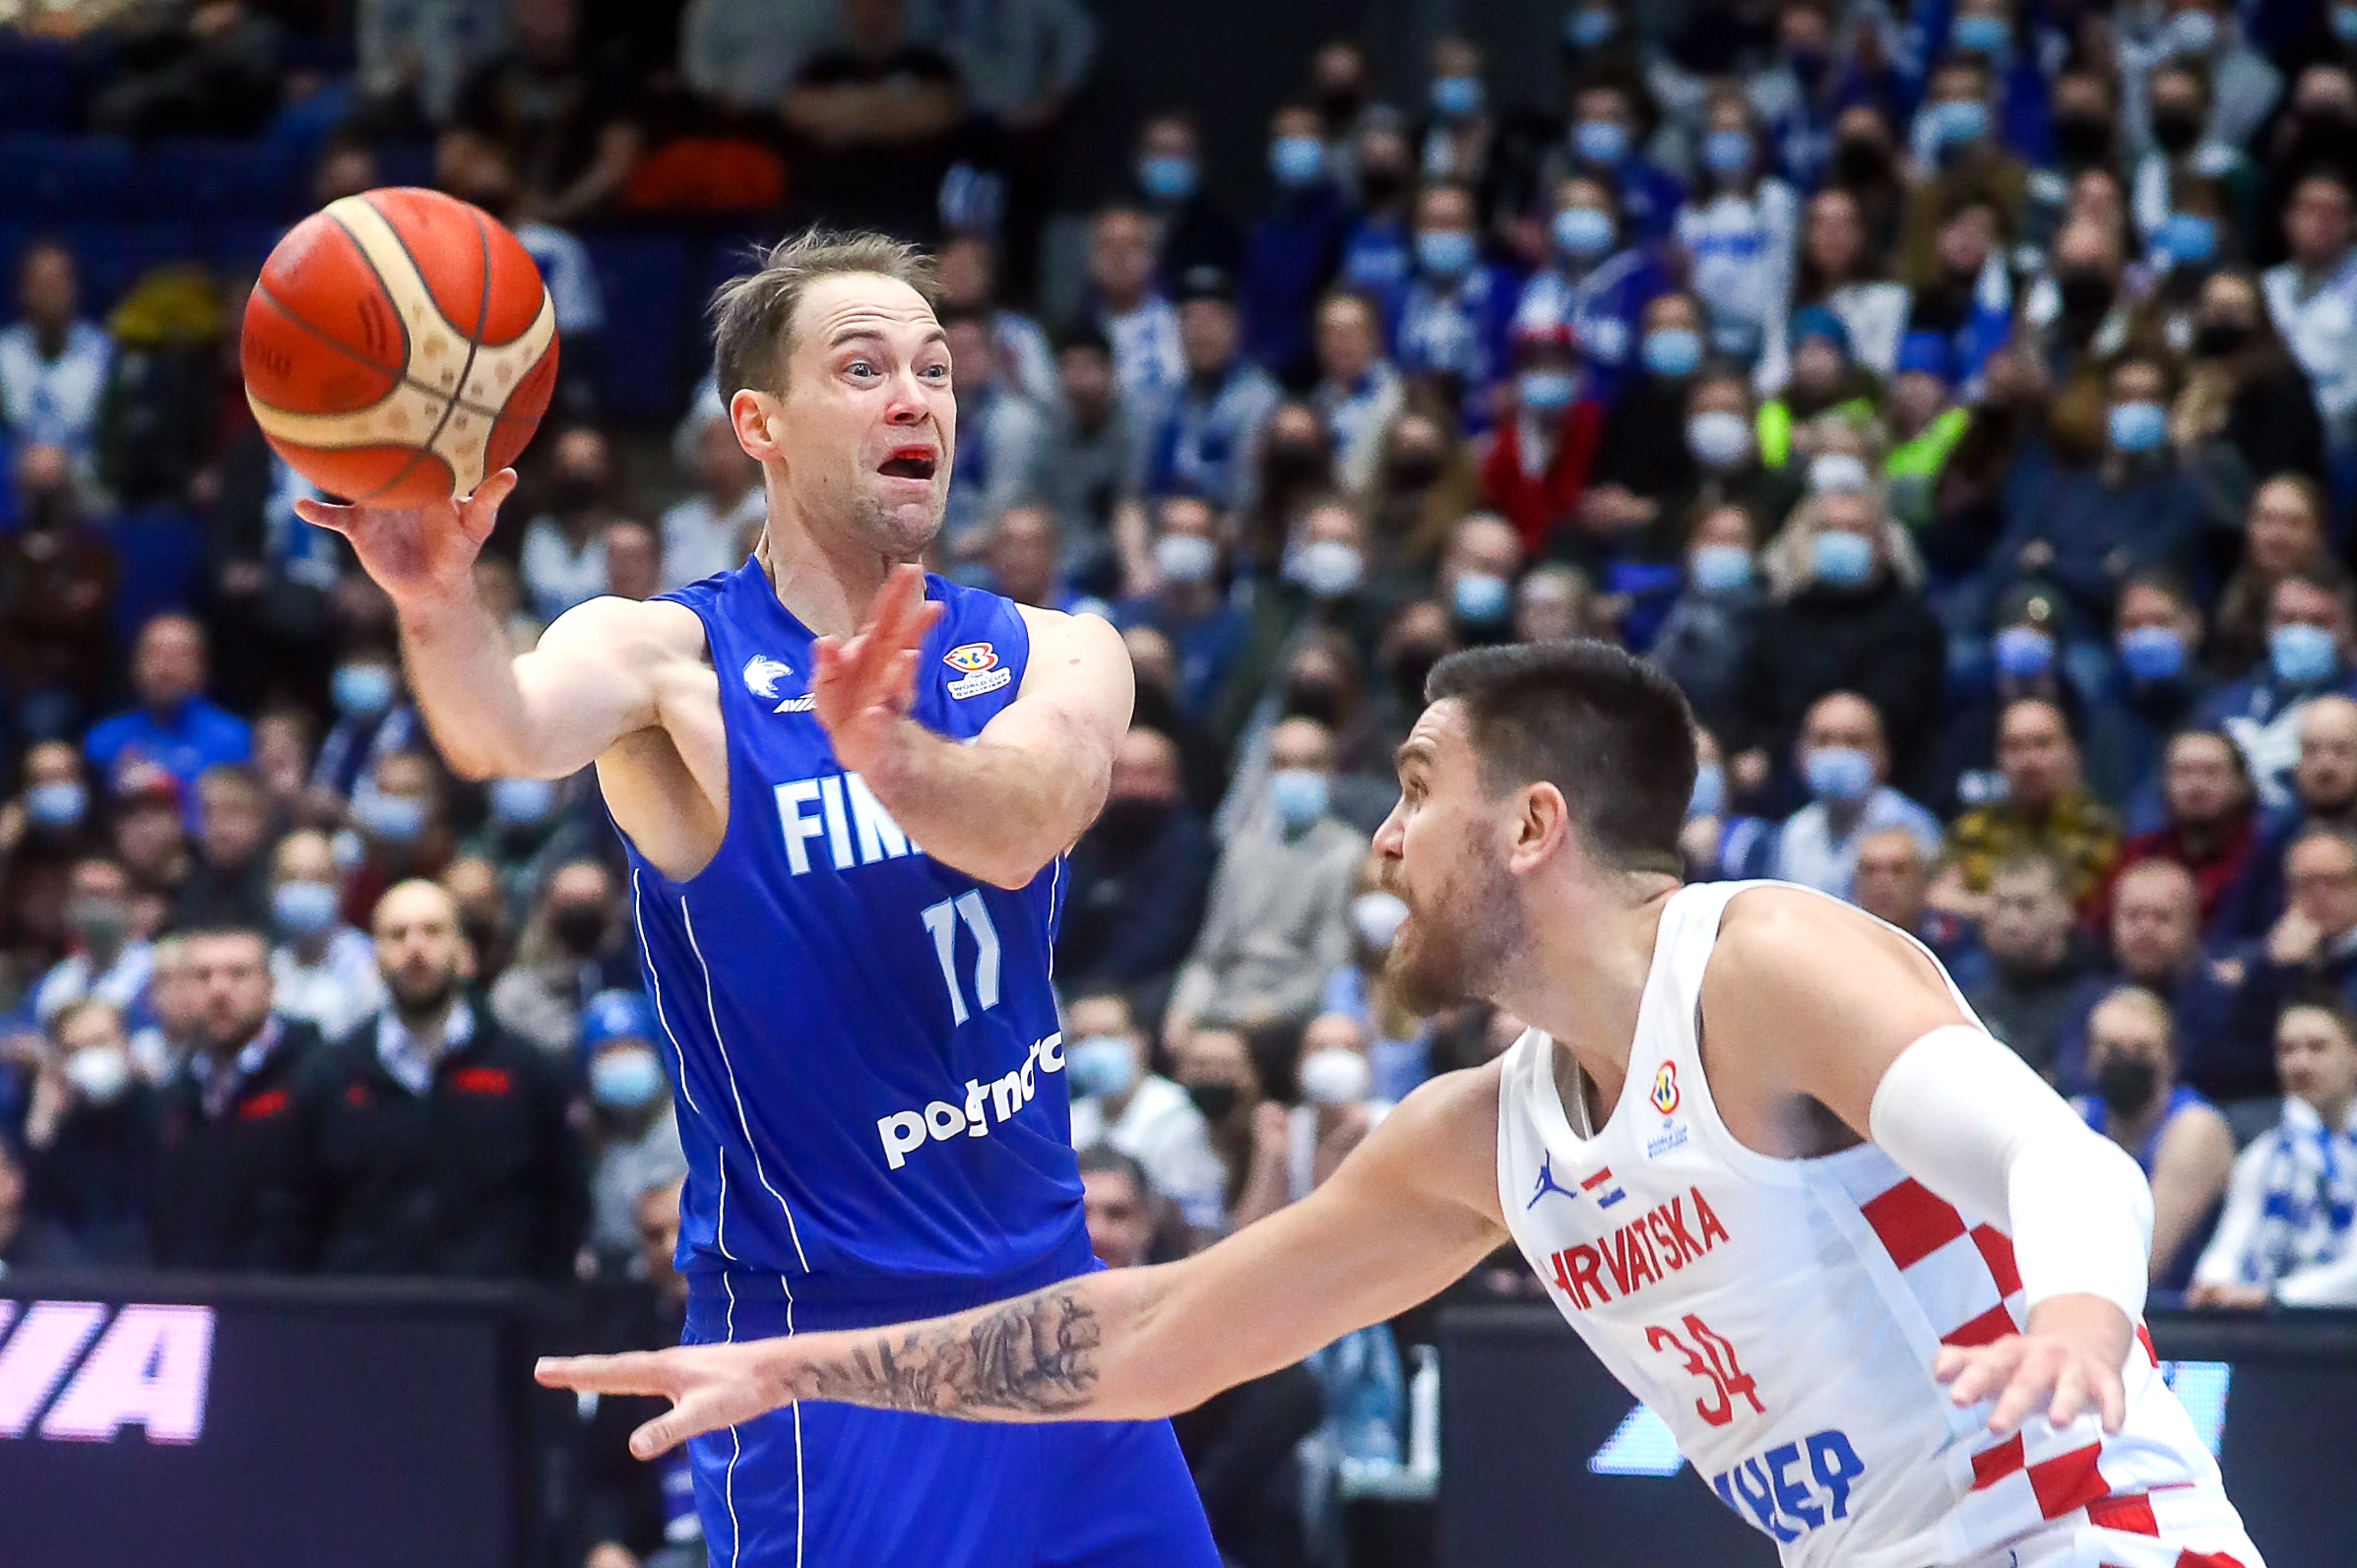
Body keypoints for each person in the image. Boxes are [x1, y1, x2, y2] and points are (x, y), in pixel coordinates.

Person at [543, 642, 2264, 1568]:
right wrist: (805, 1367)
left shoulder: (1758, 963)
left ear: (1530, 825)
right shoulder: (1477, 1138)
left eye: (1413, 789)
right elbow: (1152, 1336)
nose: (1378, 840)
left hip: (2086, 1535)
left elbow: (2059, 1156)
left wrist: (2072, 1312)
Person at [303, 230, 1217, 1566]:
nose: (914, 398)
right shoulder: (667, 661)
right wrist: (438, 599)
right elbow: (503, 731)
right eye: (863, 367)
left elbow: (1027, 825)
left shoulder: (1051, 649)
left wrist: (891, 754)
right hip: (820, 1352)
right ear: (758, 425)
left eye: (935, 368)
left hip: (1057, 1324)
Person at [286, 878, 586, 1279]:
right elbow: (297, 1211)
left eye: (432, 931)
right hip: (363, 1306)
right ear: (374, 959)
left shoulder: (526, 1071)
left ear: (464, 952)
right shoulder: (327, 1076)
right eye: (397, 934)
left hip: (493, 1307)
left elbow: (564, 1202)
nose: (415, 947)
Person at [1164, 718, 1370, 1050]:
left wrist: (1268, 1011)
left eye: (1310, 763)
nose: (1295, 774)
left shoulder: (1349, 853)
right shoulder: (1241, 849)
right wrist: (1183, 1009)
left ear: (1331, 771)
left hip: (1293, 1015)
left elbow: (1332, 964)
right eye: (1283, 763)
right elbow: (1209, 954)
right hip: (1226, 1005)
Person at [147, 922, 322, 1271]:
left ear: (270, 987)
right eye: (202, 976)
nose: (219, 990)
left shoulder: (316, 1077)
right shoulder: (171, 1099)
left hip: (295, 1294)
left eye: (238, 974)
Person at [2189, 997, 2357, 1308]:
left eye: (2318, 1048)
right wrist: (2212, 1283)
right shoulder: (2263, 1155)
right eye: (2287, 1050)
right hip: (2277, 1324)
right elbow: (2230, 1246)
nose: (2300, 1064)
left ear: (2353, 1055)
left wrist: (2277, 1296)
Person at [2070, 986, 2236, 1288]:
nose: (2126, 1062)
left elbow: (2147, 1260)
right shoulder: (2075, 1117)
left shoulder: (2194, 1127)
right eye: (2112, 1050)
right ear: (2089, 1057)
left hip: (2172, 1306)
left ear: (2170, 1058)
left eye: (2141, 1050)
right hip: (2090, 1289)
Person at [1063, 990, 1223, 1235]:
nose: (1094, 1048)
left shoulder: (1179, 1114)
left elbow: (1198, 1221)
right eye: (1081, 1038)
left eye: (1108, 1035)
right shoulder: (1071, 1118)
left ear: (1139, 1040)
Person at [1770, 691, 1943, 900]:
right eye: (1823, 741)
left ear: (1882, 754)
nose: (1837, 752)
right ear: (1800, 754)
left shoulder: (1914, 828)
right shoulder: (1794, 832)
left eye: (1853, 741)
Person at [581, 987, 688, 1278]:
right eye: (608, 1051)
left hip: (676, 1277)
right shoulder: (591, 1134)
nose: (621, 1059)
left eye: (633, 1046)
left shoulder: (684, 1130)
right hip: (615, 1281)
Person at [265, 828, 384, 1043]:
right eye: (291, 878)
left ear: (341, 888)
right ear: (273, 888)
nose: (303, 889)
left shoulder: (370, 962)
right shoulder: (269, 966)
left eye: (318, 878)